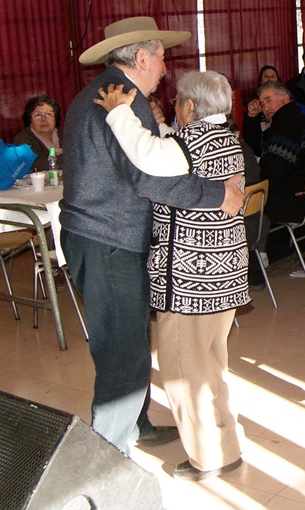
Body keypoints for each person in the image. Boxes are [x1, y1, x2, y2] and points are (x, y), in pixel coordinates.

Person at [60, 16, 244, 454]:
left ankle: (135, 426)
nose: (165, 67)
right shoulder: (119, 102)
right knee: (122, 353)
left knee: (130, 342)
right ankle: (106, 456)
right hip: (108, 240)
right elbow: (150, 177)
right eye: (161, 57)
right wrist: (217, 194)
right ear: (141, 58)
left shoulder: (113, 96)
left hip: (107, 237)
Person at [93, 70, 248, 480]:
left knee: (184, 371)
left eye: (178, 102)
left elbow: (146, 155)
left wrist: (119, 113)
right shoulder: (227, 137)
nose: (175, 108)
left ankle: (210, 457)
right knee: (211, 364)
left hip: (190, 280)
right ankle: (226, 445)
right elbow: (170, 150)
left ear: (191, 107)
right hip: (224, 274)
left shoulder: (190, 142)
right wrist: (160, 127)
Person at [253, 82, 305, 263]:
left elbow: (271, 173)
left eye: (269, 100)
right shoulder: (297, 118)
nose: (266, 107)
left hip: (297, 203)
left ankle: (257, 258)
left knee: (248, 200)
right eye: (262, 104)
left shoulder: (284, 127)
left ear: (285, 98)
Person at [15, 94, 62, 172]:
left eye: (48, 114)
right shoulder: (23, 139)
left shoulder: (65, 134)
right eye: (37, 115)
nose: (44, 119)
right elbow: (37, 165)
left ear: (55, 118)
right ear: (30, 120)